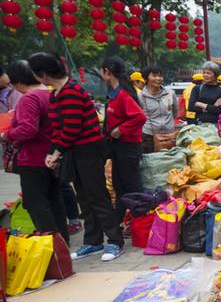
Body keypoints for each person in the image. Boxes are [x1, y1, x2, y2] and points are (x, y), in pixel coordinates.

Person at [29, 52, 125, 261]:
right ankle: (93, 241)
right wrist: (52, 151)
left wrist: (56, 152)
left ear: (42, 74)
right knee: (84, 198)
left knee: (97, 196)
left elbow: (72, 129)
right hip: (74, 151)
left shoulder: (71, 91)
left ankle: (115, 241)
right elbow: (58, 129)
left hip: (89, 150)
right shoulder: (56, 93)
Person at [0, 60, 68, 243]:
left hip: (33, 158)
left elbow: (27, 129)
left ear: (18, 81)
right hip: (52, 155)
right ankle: (62, 241)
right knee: (54, 199)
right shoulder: (50, 93)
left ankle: (50, 243)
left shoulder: (29, 99)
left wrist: (6, 135)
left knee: (35, 202)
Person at [100, 57, 147, 224]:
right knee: (119, 186)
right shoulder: (114, 93)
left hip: (128, 147)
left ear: (107, 72)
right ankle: (118, 222)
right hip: (118, 147)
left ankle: (142, 223)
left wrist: (120, 129)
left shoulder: (123, 94)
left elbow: (140, 117)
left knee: (133, 187)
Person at [138, 66, 178, 153]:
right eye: (154, 76)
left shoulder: (170, 93)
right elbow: (138, 117)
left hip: (169, 135)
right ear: (146, 78)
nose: (158, 78)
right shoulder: (140, 96)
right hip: (149, 136)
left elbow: (175, 112)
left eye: (160, 76)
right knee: (151, 160)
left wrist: (168, 124)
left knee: (169, 159)